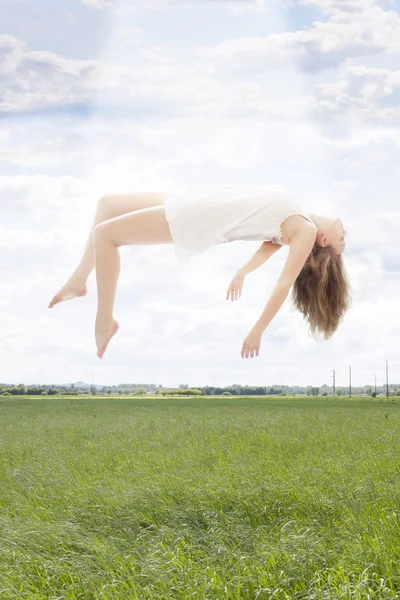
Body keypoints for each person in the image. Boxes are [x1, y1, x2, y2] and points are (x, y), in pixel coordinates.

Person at [48, 185, 351, 360]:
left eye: (342, 241)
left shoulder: (307, 230)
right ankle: (78, 279)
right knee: (108, 204)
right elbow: (268, 244)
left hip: (197, 218)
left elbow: (283, 284)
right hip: (199, 201)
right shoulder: (298, 219)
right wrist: (243, 271)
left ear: (322, 241)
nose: (345, 234)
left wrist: (257, 330)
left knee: (105, 235)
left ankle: (104, 323)